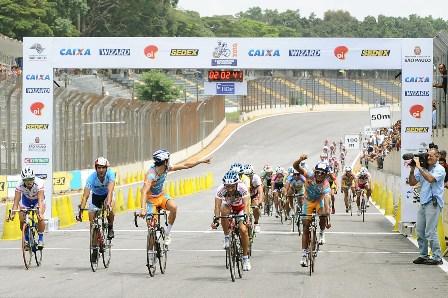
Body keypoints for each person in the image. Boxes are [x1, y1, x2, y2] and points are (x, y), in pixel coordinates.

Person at [140, 149, 210, 246]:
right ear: (164, 161)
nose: (169, 161)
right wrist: (143, 209)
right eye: (168, 159)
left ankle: (167, 233)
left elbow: (185, 165)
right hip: (151, 201)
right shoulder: (151, 175)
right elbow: (143, 191)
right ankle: (151, 256)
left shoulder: (167, 168)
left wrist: (200, 161)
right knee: (151, 229)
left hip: (161, 196)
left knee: (174, 207)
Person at [409, 149, 446, 265]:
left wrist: (419, 167)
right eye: (427, 155)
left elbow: (430, 179)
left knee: (430, 231)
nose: (428, 157)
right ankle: (423, 255)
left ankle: (437, 257)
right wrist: (412, 170)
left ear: (437, 156)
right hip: (424, 202)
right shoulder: (424, 169)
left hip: (433, 203)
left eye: (430, 156)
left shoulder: (440, 169)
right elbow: (412, 183)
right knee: (420, 230)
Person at [293, 156, 331, 267]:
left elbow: (325, 200)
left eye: (322, 173)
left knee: (323, 215)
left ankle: (322, 232)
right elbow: (295, 166)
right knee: (305, 227)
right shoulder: (309, 175)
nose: (319, 175)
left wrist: (326, 213)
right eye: (318, 172)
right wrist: (299, 159)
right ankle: (304, 255)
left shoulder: (326, 185)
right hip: (308, 201)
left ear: (326, 175)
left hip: (319, 200)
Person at [211, 171, 251, 271]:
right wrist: (216, 219)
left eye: (232, 186)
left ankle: (245, 258)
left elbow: (246, 204)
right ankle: (227, 237)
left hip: (240, 207)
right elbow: (217, 206)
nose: (230, 189)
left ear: (237, 184)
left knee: (243, 230)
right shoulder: (221, 189)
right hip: (228, 206)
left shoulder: (242, 187)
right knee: (223, 211)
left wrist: (246, 216)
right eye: (227, 186)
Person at [79, 157, 116, 248]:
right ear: (96, 168)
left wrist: (108, 203)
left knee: (110, 208)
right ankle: (95, 246)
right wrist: (81, 211)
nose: (101, 170)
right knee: (92, 222)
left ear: (106, 168)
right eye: (99, 168)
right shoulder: (91, 178)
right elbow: (85, 196)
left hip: (107, 195)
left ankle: (110, 226)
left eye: (103, 168)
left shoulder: (110, 174)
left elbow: (110, 190)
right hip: (96, 197)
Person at [11, 167, 46, 249]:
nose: (29, 182)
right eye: (26, 180)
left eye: (30, 179)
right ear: (23, 180)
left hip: (37, 200)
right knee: (21, 218)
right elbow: (16, 201)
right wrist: (12, 213)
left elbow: (40, 200)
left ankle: (40, 239)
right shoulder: (19, 185)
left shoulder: (39, 183)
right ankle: (27, 240)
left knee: (40, 217)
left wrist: (40, 212)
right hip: (26, 201)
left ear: (34, 178)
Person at [243, 164, 263, 232]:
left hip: (254, 195)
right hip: (244, 197)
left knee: (256, 207)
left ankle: (256, 223)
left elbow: (260, 191)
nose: (248, 177)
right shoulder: (241, 179)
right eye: (246, 176)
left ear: (252, 174)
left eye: (249, 176)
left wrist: (260, 201)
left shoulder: (256, 178)